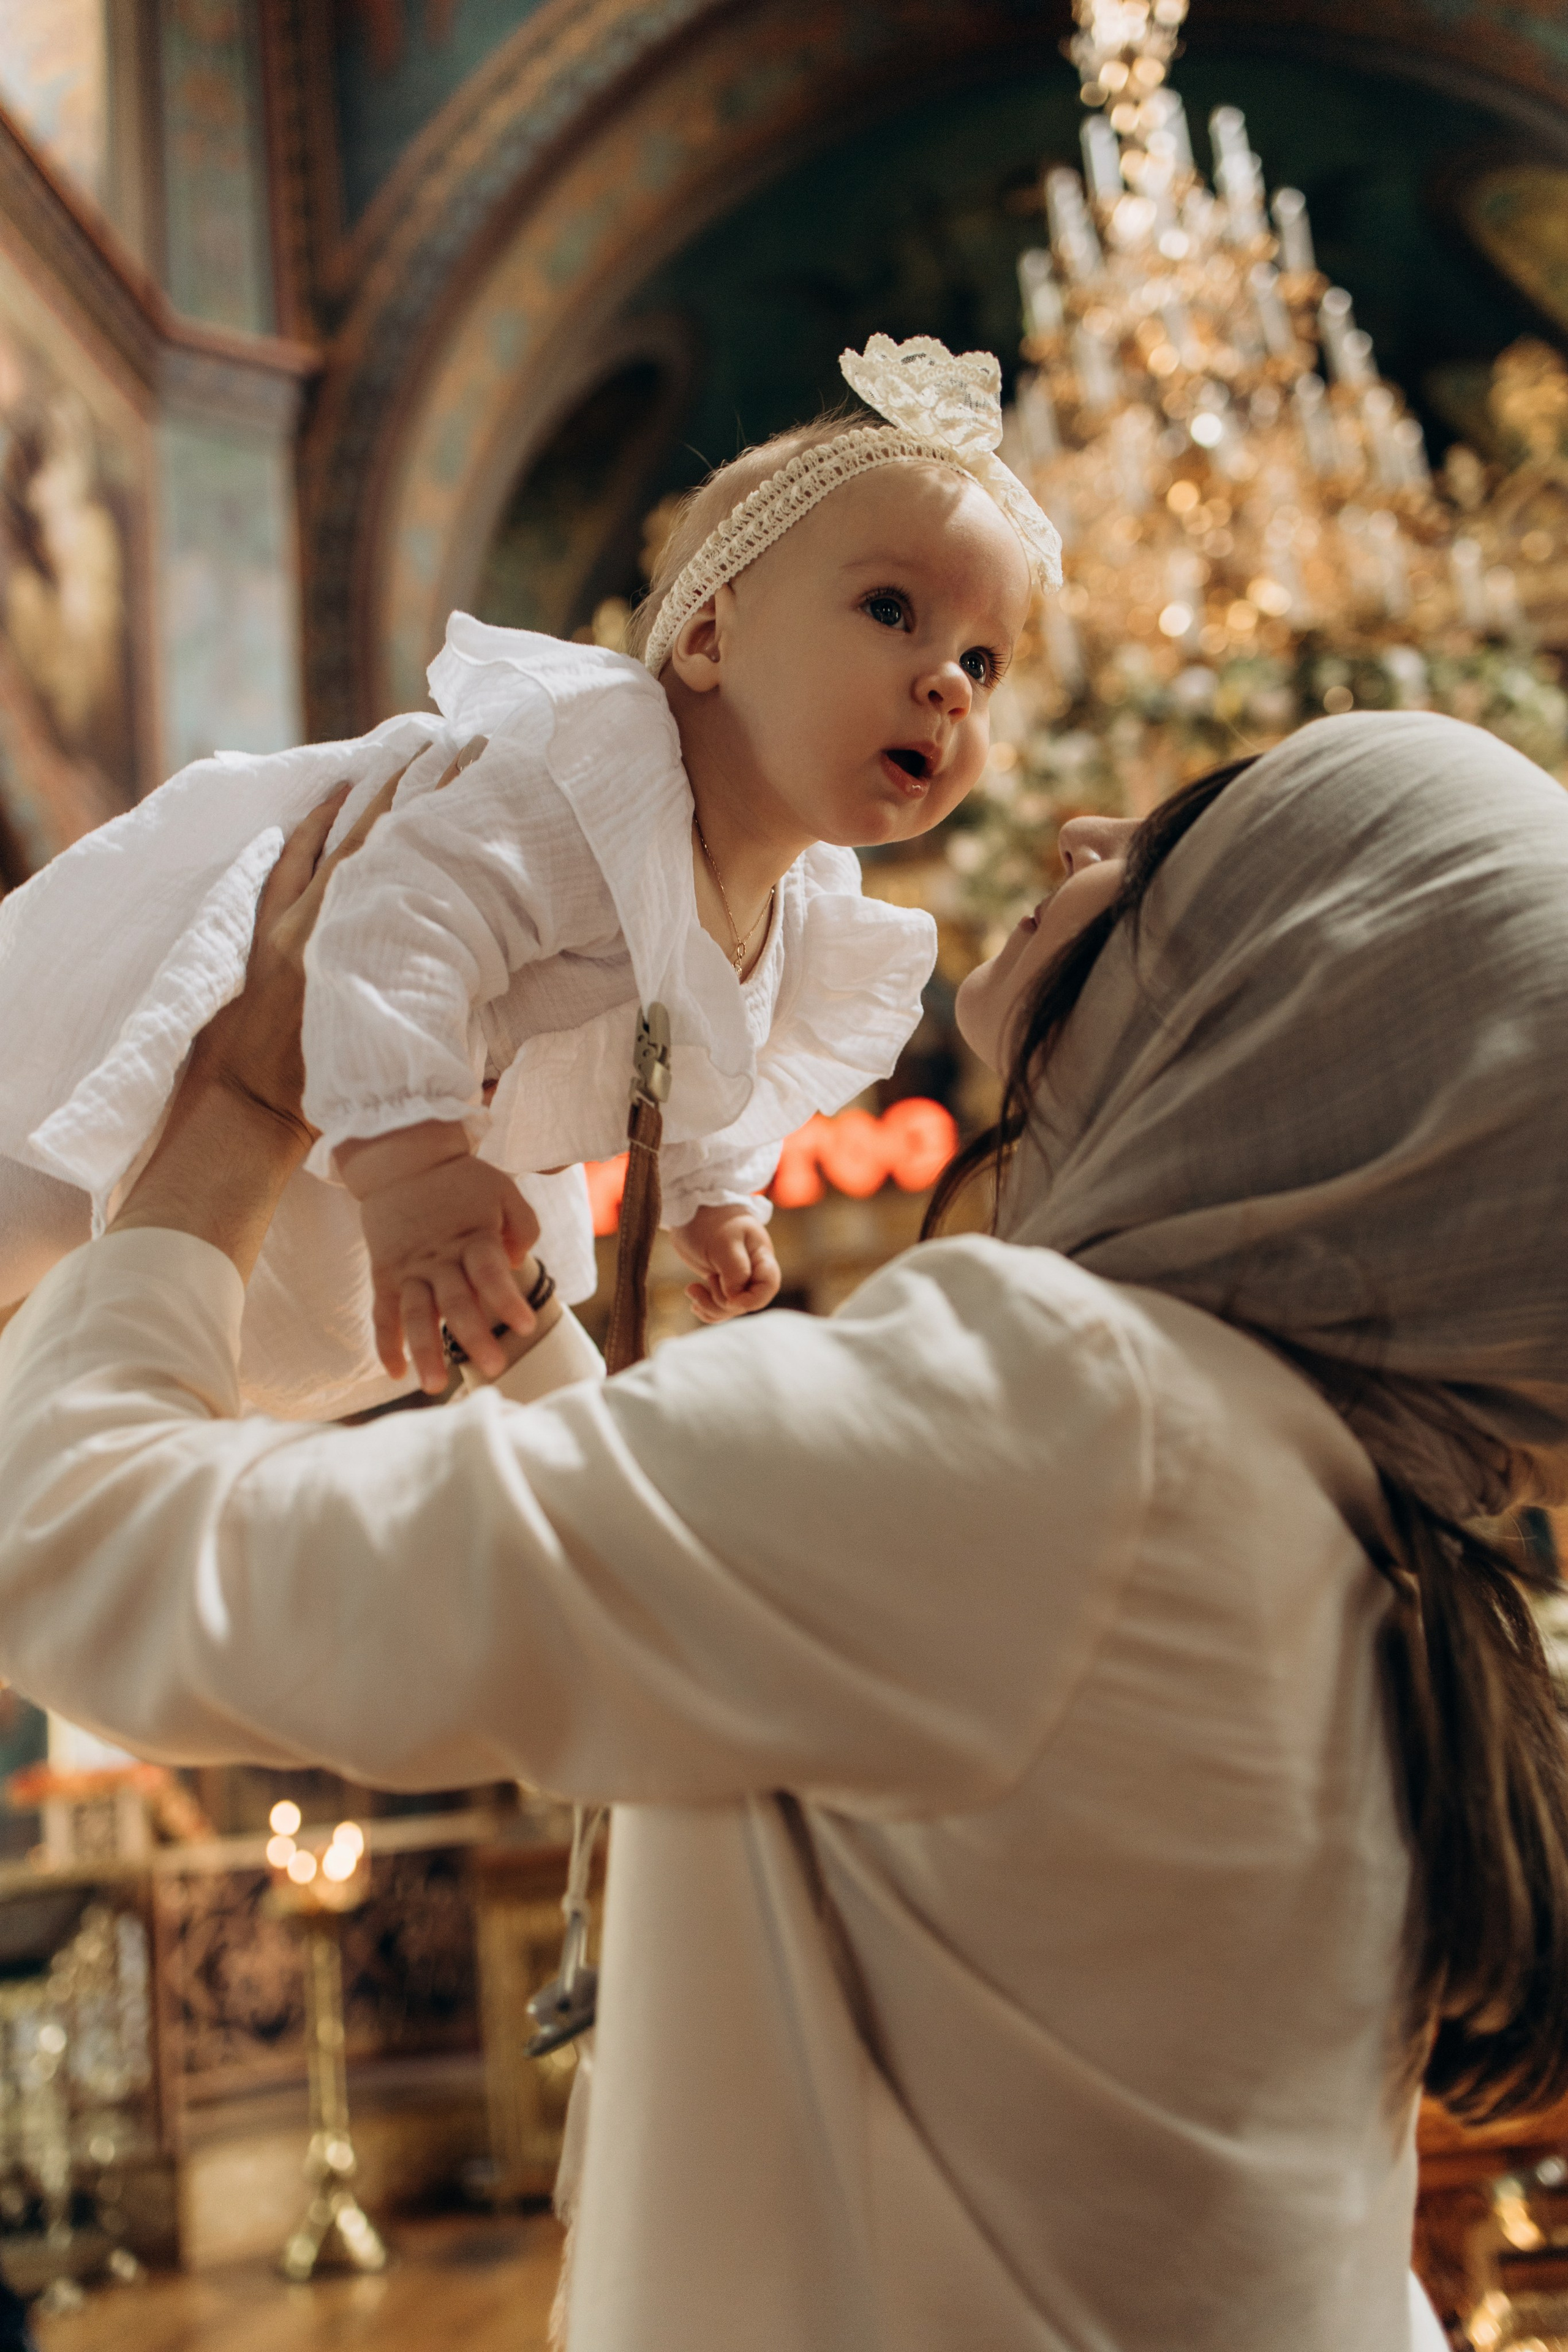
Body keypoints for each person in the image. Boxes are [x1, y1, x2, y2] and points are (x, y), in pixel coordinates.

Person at [2, 707, 1562, 2351]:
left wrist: (243, 1103)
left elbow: (80, 1546)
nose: (1084, 836)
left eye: (1179, 852)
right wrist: (525, 1337)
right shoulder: (1320, 1499)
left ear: (1287, 1002)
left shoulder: (1080, 1418)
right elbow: (818, 1621)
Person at [0, 334, 1056, 1417]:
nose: (948, 686)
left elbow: (707, 1053)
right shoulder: (592, 783)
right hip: (241, 1016)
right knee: (40, 1208)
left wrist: (713, 1195)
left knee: (161, 1349)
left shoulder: (803, 902)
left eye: (984, 660)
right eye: (892, 609)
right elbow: (389, 922)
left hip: (384, 1119)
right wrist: (409, 1168)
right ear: (706, 639)